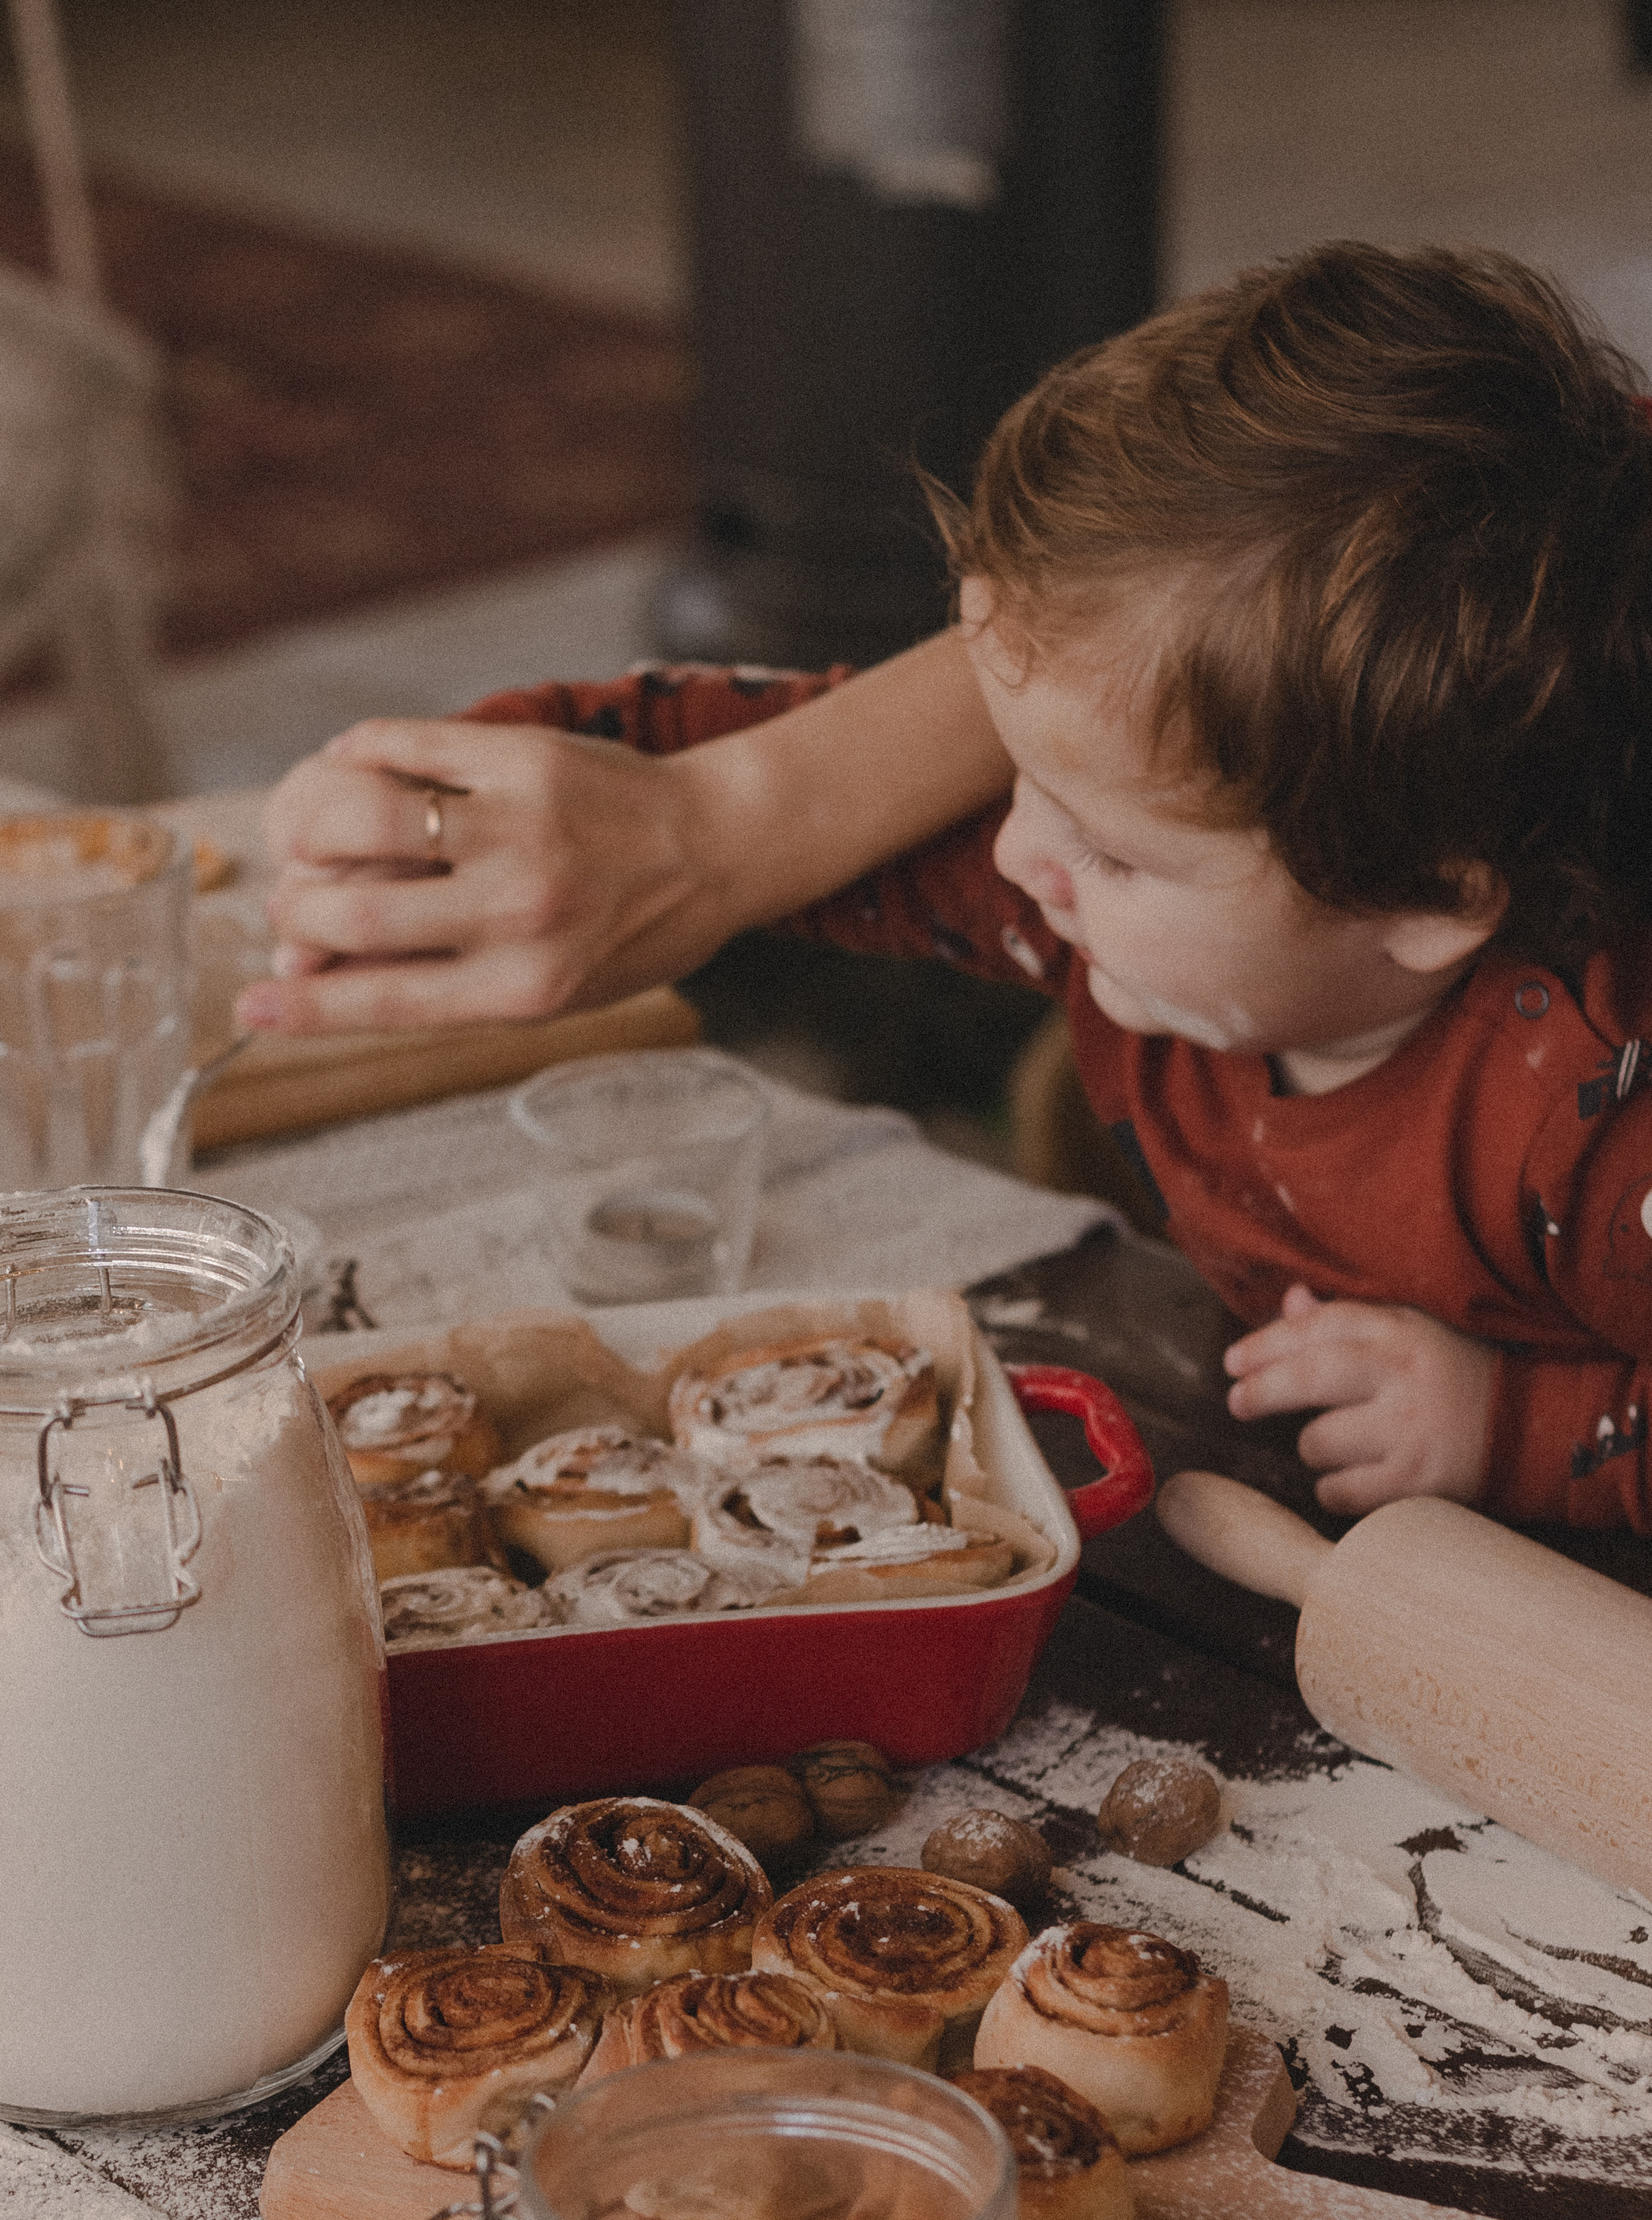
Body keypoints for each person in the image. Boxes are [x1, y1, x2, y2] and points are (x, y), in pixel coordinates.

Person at [250, 243, 1652, 1535]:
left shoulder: (1595, 1126)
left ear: (1423, 900)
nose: (1006, 857)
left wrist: (1512, 1421)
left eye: (1112, 848)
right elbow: (714, 777)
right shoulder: (1105, 880)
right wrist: (464, 789)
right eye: (1009, 768)